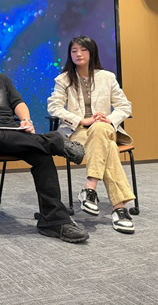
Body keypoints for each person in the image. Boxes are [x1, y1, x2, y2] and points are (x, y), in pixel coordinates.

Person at [0, 34, 89, 243]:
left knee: (41, 156)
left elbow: (18, 103)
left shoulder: (1, 79)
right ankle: (55, 141)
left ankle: (54, 221)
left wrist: (26, 121)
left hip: (10, 130)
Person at [47, 35, 135, 234]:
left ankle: (90, 188)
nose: (78, 54)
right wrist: (81, 120)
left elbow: (125, 106)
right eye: (74, 51)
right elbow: (54, 107)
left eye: (83, 49)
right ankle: (119, 208)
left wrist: (109, 119)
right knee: (109, 147)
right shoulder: (63, 79)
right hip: (78, 131)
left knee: (100, 128)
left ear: (92, 52)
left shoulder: (107, 77)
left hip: (104, 128)